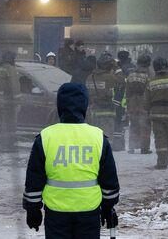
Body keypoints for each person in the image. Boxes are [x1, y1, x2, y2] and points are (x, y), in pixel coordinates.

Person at [22, 82, 120, 239]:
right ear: (85, 106)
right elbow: (109, 180)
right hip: (89, 211)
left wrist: (32, 209)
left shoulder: (46, 137)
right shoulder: (98, 137)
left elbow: (34, 178)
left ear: (60, 106)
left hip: (56, 213)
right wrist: (108, 208)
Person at [88, 54, 124, 147]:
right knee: (107, 136)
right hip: (107, 111)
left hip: (93, 110)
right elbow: (121, 80)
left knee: (95, 136)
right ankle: (106, 154)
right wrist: (116, 67)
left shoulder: (89, 77)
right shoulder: (108, 77)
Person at [0, 49, 22, 151]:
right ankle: (9, 145)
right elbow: (14, 86)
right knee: (9, 123)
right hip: (8, 100)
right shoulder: (10, 69)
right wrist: (17, 102)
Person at [123, 53, 152, 154]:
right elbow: (150, 90)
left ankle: (132, 147)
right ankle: (144, 148)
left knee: (133, 124)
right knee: (145, 125)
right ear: (147, 64)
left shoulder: (131, 75)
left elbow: (127, 90)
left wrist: (128, 103)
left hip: (132, 102)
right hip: (143, 102)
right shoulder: (148, 75)